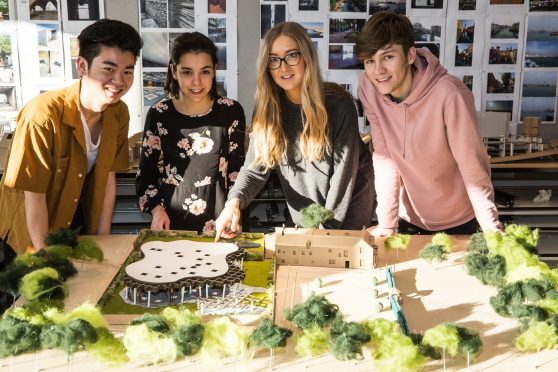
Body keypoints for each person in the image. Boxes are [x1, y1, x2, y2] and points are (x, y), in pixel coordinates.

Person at [215, 22, 375, 240]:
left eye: (292, 56)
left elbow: (342, 181)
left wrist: (322, 233)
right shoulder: (267, 110)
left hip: (348, 217)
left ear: (307, 56)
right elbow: (255, 169)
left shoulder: (338, 104)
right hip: (307, 221)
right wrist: (233, 203)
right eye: (274, 60)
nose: (283, 67)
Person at [0, 19, 142, 255]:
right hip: (27, 231)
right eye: (109, 69)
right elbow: (34, 196)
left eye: (127, 71)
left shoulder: (118, 112)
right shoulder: (43, 116)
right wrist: (45, 255)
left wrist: (102, 243)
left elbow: (108, 182)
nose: (119, 81)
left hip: (74, 221)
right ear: (83, 66)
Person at [356, 12, 501, 237]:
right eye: (370, 61)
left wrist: (492, 232)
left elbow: (473, 168)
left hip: (457, 219)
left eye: (388, 57)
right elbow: (385, 159)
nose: (378, 70)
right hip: (409, 217)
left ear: (410, 55)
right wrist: (387, 223)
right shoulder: (368, 88)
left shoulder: (450, 94)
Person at [136, 32, 245, 232]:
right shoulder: (159, 113)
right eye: (187, 72)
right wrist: (156, 209)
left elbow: (236, 173)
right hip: (170, 220)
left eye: (204, 72)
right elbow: (147, 173)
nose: (196, 82)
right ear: (174, 71)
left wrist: (234, 208)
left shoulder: (230, 111)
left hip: (222, 219)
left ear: (214, 70)